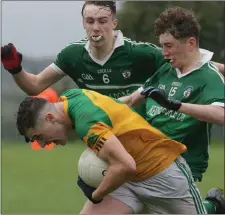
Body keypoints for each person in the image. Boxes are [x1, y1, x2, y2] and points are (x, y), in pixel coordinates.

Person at [1, 1, 224, 119]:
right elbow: (34, 85)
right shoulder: (72, 55)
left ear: (114, 23)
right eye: (90, 21)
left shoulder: (140, 53)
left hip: (139, 137)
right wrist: (15, 68)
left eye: (102, 20)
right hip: (99, 137)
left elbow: (192, 62)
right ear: (83, 24)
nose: (96, 27)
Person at [16, 88, 207, 214]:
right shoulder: (71, 97)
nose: (41, 145)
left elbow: (125, 165)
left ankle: (213, 205)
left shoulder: (88, 124)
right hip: (126, 183)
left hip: (163, 176)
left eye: (39, 137)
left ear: (50, 118)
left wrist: (96, 194)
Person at [119, 7, 225, 214]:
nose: (164, 53)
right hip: (150, 156)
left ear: (190, 43)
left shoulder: (209, 76)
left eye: (169, 46)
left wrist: (176, 105)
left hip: (183, 163)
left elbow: (221, 115)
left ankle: (212, 206)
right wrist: (93, 103)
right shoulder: (167, 69)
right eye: (162, 46)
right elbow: (132, 99)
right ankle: (213, 206)